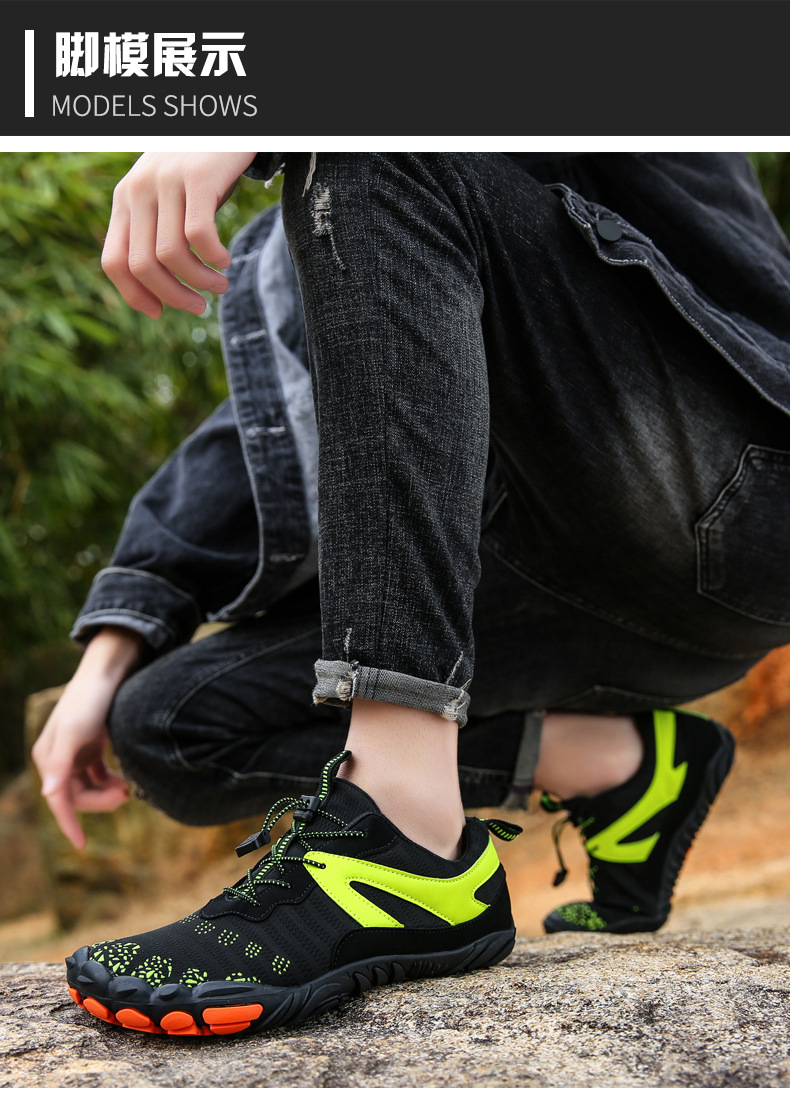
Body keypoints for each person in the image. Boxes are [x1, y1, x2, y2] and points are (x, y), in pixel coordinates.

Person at [32, 151, 790, 1039]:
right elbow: (276, 427)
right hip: (556, 592)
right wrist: (111, 653)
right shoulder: (327, 213)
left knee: (374, 151)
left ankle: (398, 826)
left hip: (739, 500)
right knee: (166, 724)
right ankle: (621, 768)